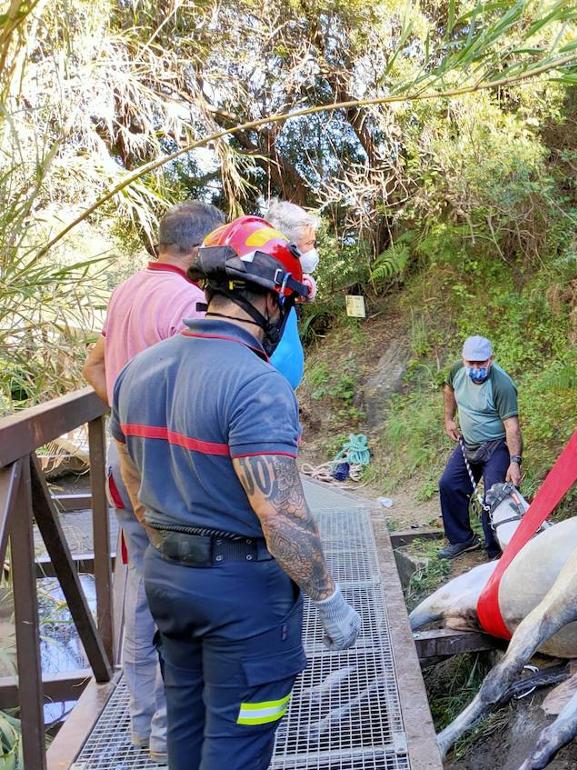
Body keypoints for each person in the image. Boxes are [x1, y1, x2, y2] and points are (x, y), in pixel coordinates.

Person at [109, 216, 361, 770]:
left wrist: (173, 549)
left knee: (188, 734)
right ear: (272, 301)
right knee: (238, 746)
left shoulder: (137, 372)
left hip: (169, 586)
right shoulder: (256, 383)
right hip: (243, 600)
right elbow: (283, 519)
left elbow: (131, 483)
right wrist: (329, 599)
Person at [82, 199, 225, 763]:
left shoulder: (127, 291)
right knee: (182, 597)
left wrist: (125, 417)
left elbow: (94, 367)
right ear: (198, 249)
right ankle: (175, 735)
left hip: (125, 466)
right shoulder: (188, 300)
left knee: (143, 595)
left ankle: (145, 724)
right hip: (170, 478)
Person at [437, 335, 524, 559]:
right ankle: (462, 539)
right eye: (471, 363)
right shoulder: (457, 372)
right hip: (469, 442)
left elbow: (512, 426)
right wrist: (449, 419)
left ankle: (496, 551)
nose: (476, 367)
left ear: (491, 360)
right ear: (463, 360)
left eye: (481, 363)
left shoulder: (501, 385)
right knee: (449, 484)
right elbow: (449, 390)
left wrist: (515, 462)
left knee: (493, 496)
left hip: (497, 446)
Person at [262, 200, 321, 390]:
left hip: (281, 392)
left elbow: (306, 285)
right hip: (266, 395)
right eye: (308, 244)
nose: (312, 251)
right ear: (288, 246)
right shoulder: (261, 284)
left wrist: (306, 285)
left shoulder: (285, 281)